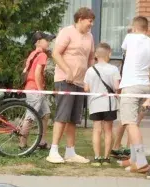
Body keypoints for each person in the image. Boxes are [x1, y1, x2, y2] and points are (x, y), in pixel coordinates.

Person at [47, 7, 95, 164]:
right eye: (89, 20)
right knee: (62, 115)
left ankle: (70, 152)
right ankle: (53, 151)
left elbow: (91, 59)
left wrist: (90, 79)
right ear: (80, 19)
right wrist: (67, 70)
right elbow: (55, 53)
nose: (91, 24)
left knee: (74, 119)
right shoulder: (67, 32)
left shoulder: (90, 37)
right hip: (64, 80)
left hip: (80, 83)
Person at [117, 16, 150, 174]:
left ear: (135, 27)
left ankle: (141, 161)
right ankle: (133, 158)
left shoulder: (130, 37)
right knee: (134, 124)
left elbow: (123, 47)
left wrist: (131, 30)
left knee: (129, 123)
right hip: (144, 85)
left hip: (130, 85)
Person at [84, 42, 121, 167]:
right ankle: (106, 158)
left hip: (95, 103)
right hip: (109, 103)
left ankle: (96, 157)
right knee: (108, 131)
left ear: (96, 55)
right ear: (109, 54)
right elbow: (117, 87)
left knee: (96, 130)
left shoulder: (90, 70)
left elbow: (86, 88)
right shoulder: (114, 69)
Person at [21, 31, 54, 151]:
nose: (49, 42)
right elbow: (37, 74)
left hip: (30, 88)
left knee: (45, 114)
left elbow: (25, 71)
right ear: (38, 42)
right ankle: (22, 143)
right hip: (35, 89)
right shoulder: (42, 55)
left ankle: (42, 141)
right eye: (47, 40)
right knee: (30, 117)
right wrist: (41, 90)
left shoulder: (32, 54)